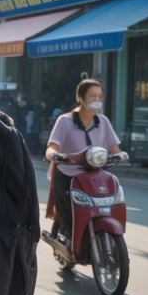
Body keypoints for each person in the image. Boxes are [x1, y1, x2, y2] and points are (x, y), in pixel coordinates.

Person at [45, 78, 125, 244]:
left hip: (95, 177)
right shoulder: (65, 121)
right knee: (70, 216)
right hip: (68, 175)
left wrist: (121, 155)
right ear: (80, 97)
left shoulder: (103, 121)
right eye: (92, 96)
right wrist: (55, 155)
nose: (97, 100)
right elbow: (51, 148)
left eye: (100, 97)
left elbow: (115, 149)